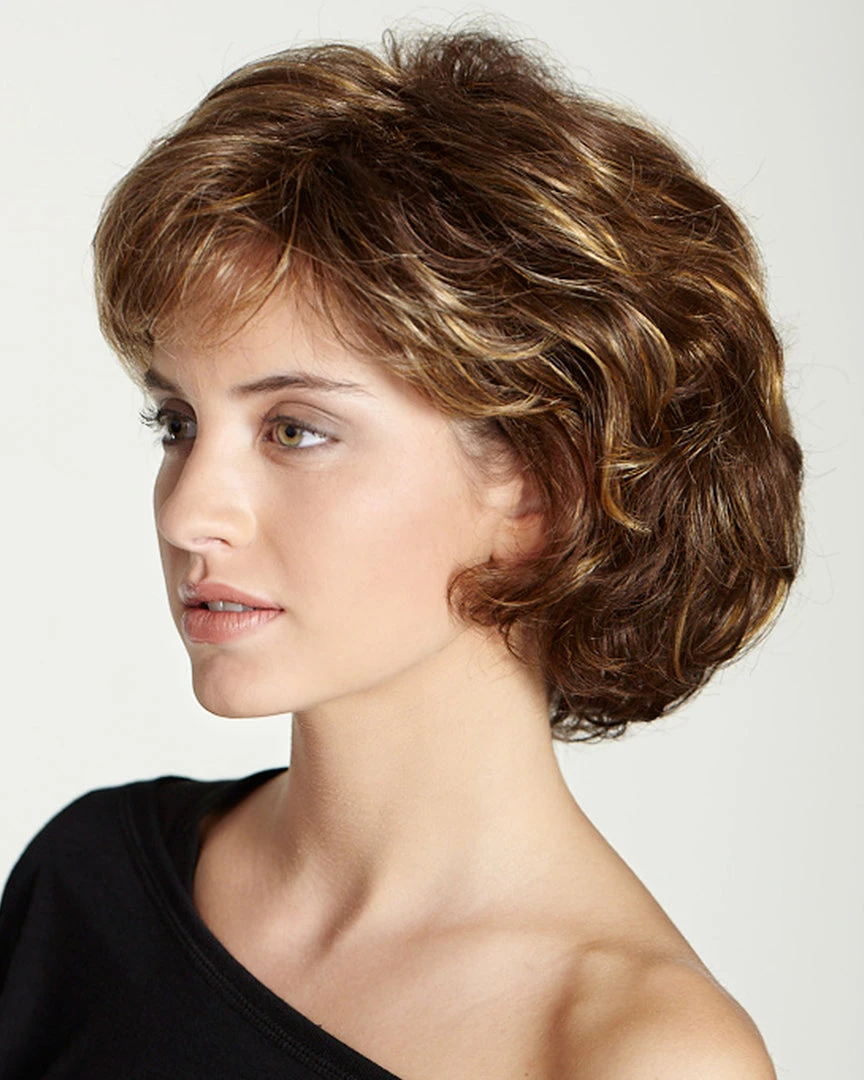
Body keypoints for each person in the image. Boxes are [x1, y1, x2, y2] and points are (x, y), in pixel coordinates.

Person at [0, 26, 802, 1079]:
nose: (188, 512)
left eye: (295, 430)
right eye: (177, 423)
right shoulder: (86, 886)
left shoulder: (636, 1054)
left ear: (544, 484)